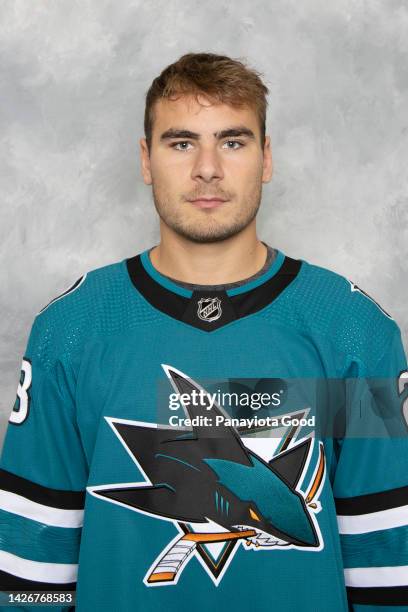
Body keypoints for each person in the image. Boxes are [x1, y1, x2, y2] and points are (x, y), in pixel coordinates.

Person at [0, 52, 407, 612]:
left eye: (233, 142)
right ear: (146, 159)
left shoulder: (352, 332)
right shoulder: (69, 331)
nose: (208, 169)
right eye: (181, 142)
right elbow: (32, 564)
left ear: (266, 158)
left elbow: (387, 561)